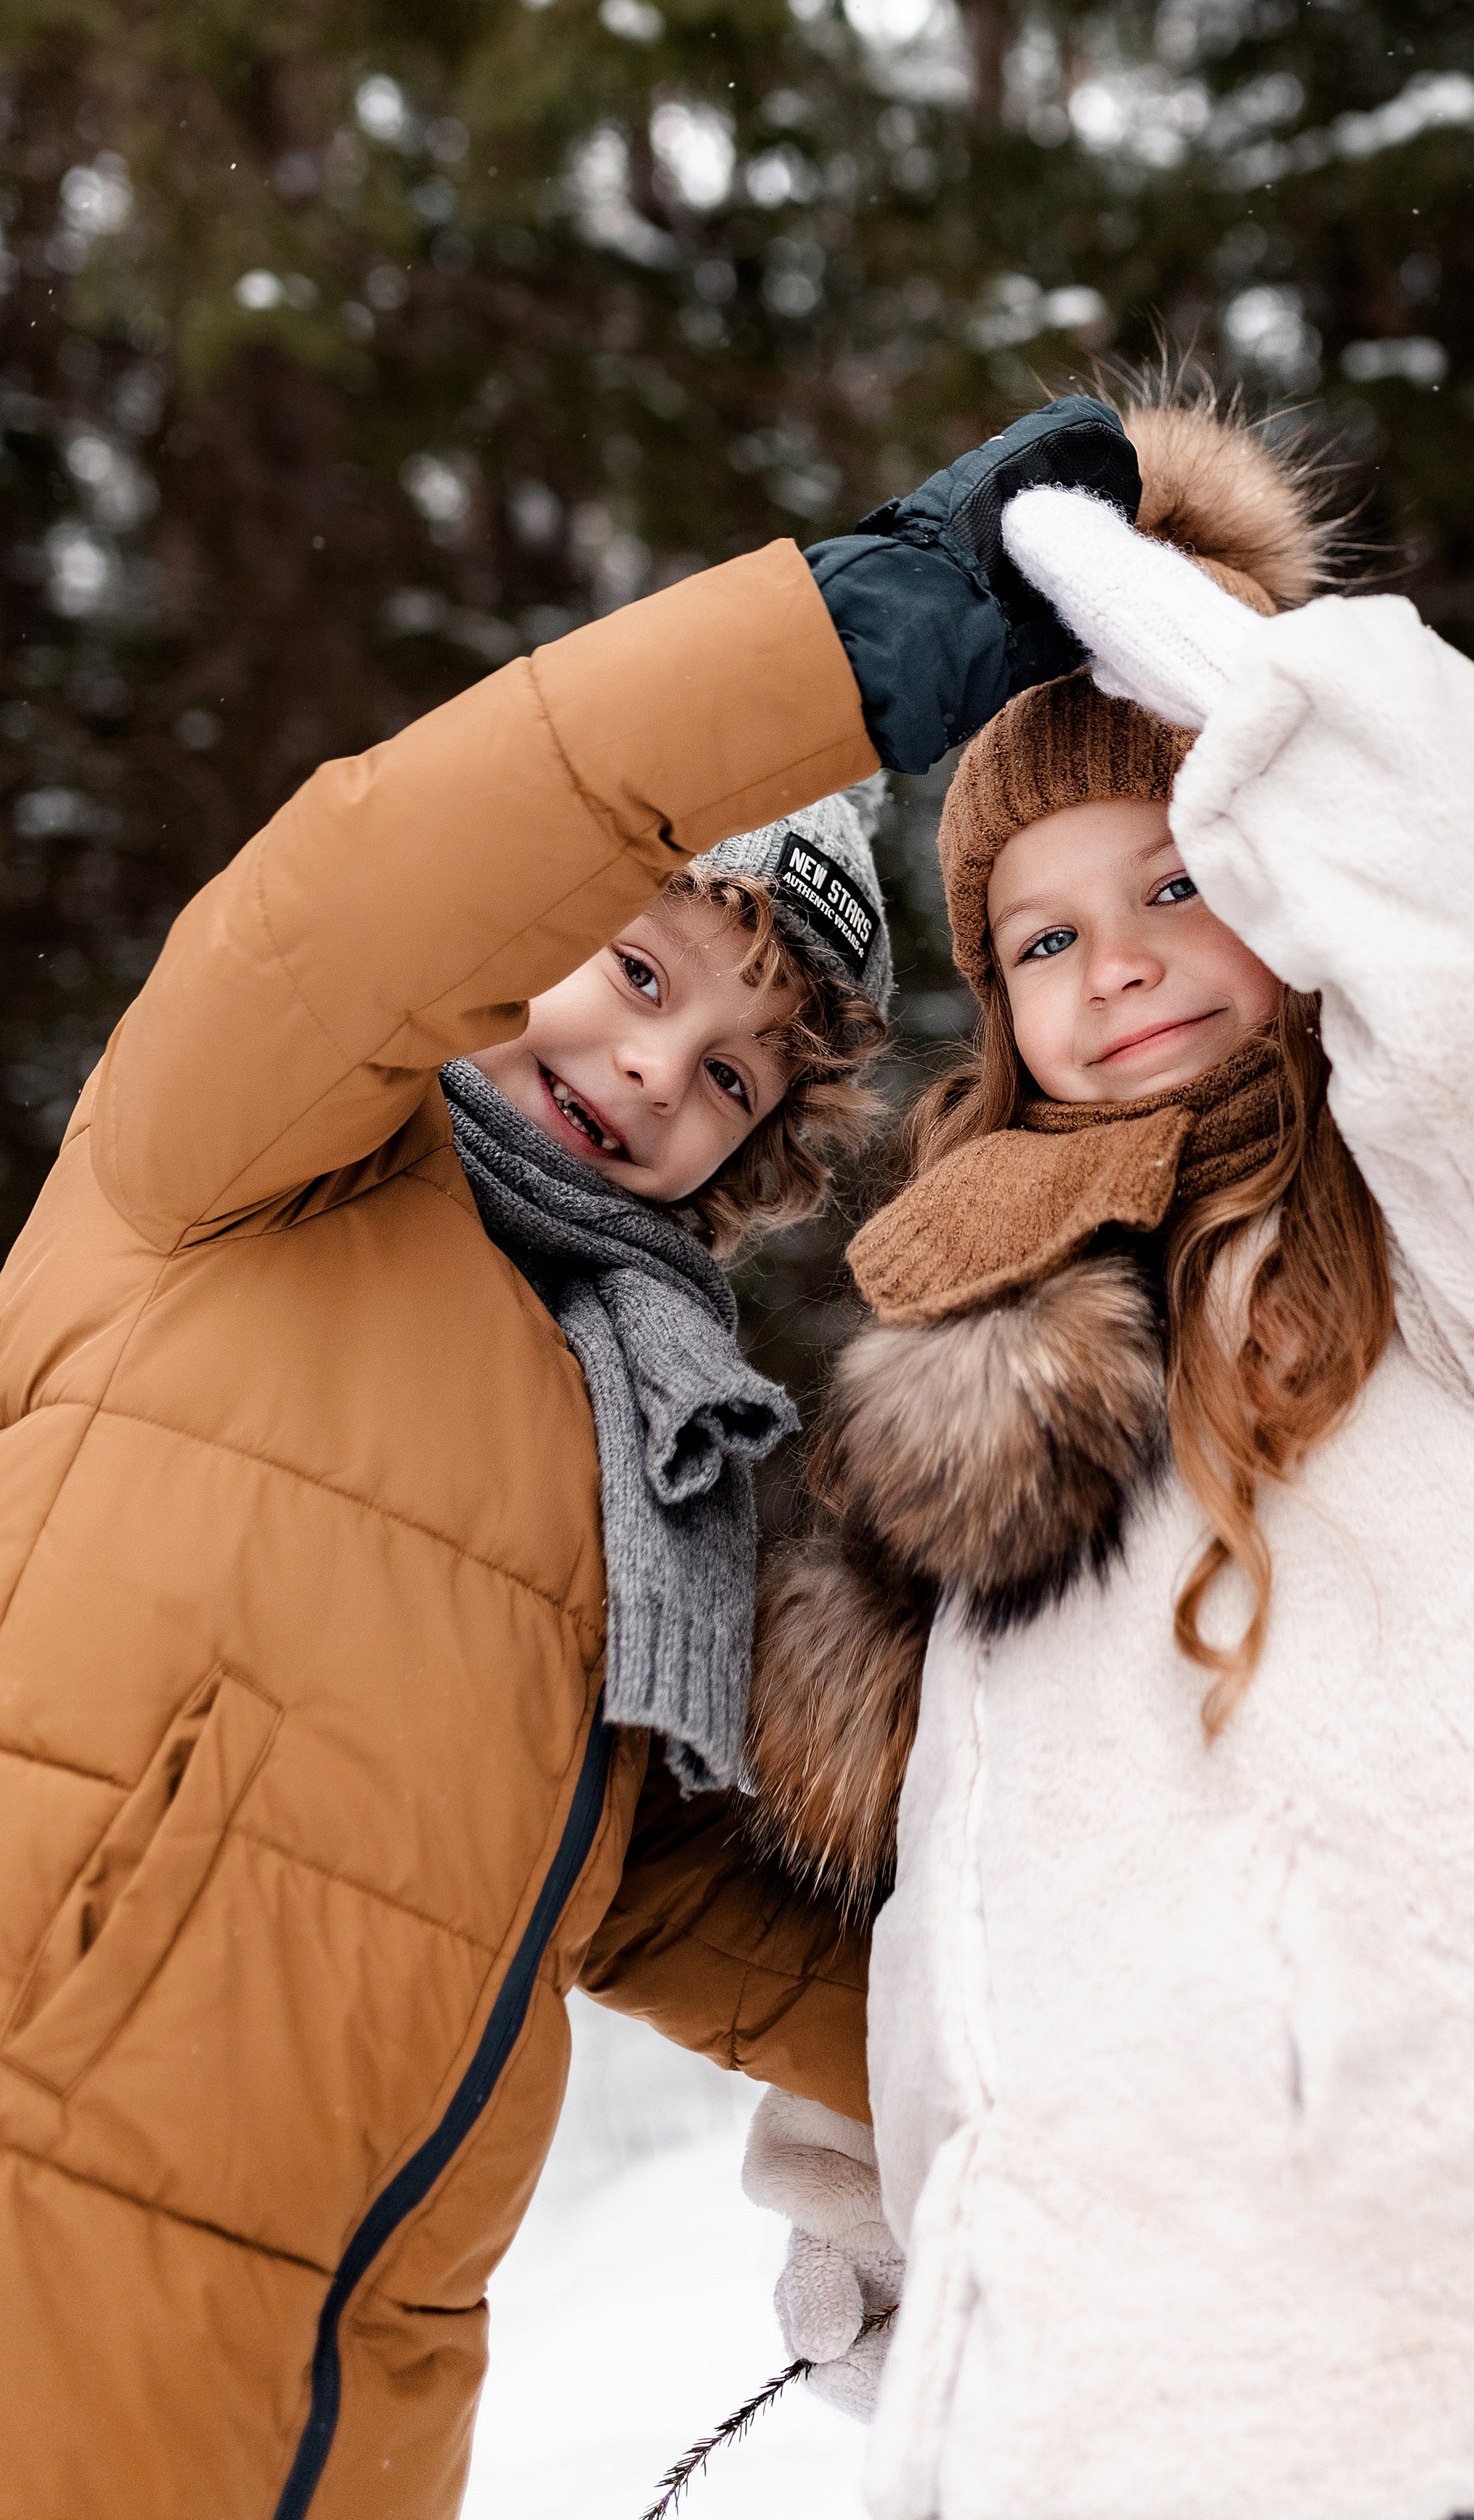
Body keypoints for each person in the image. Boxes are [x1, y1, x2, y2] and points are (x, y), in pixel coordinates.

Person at [0, 395, 1141, 2520]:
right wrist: (872, 635)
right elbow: (371, 877)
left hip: (350, 2372)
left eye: (729, 1071)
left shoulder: (654, 1418)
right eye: (630, 969)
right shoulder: (234, 1163)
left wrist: (1047, 2074)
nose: (648, 1067)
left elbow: (644, 1889)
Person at [741, 387, 1474, 2520]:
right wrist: (876, 2180)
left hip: (1428, 2378)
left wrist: (1183, 632)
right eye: (1041, 933)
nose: (1116, 966)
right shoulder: (986, 1347)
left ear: (1301, 868)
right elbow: (963, 1855)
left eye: (1183, 876)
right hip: (1065, 2387)